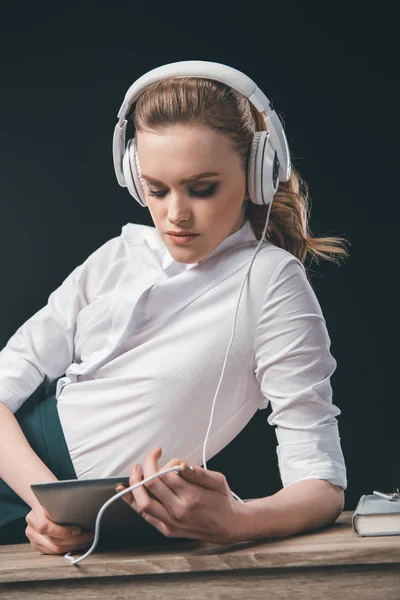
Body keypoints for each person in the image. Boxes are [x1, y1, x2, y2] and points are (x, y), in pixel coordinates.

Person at [0, 61, 350, 555]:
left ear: (258, 175)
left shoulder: (272, 284)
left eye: (202, 189)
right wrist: (47, 503)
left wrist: (237, 520)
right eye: (155, 190)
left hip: (80, 512)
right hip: (22, 465)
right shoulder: (118, 255)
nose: (175, 215)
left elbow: (321, 482)